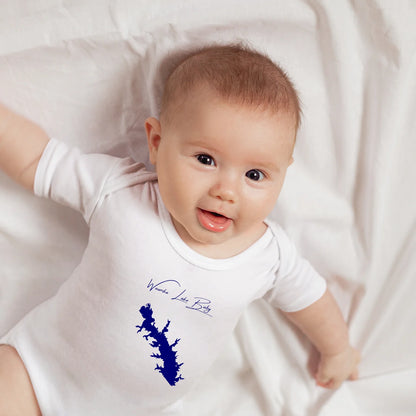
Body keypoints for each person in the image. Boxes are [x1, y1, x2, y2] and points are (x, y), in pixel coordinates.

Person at [0, 44, 360, 415]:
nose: (226, 191)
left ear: (283, 173)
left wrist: (337, 351)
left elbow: (312, 301)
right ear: (156, 143)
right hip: (39, 372)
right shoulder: (121, 191)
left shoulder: (269, 257)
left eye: (255, 175)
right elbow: (38, 160)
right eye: (206, 159)